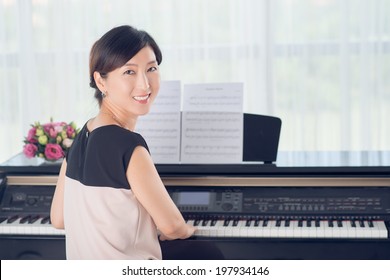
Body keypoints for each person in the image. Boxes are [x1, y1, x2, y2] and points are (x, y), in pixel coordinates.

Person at [50, 25, 196, 259]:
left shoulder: (81, 137)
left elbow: (58, 219)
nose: (145, 84)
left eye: (151, 69)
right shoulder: (128, 145)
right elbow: (173, 227)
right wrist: (188, 229)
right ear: (101, 81)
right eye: (129, 72)